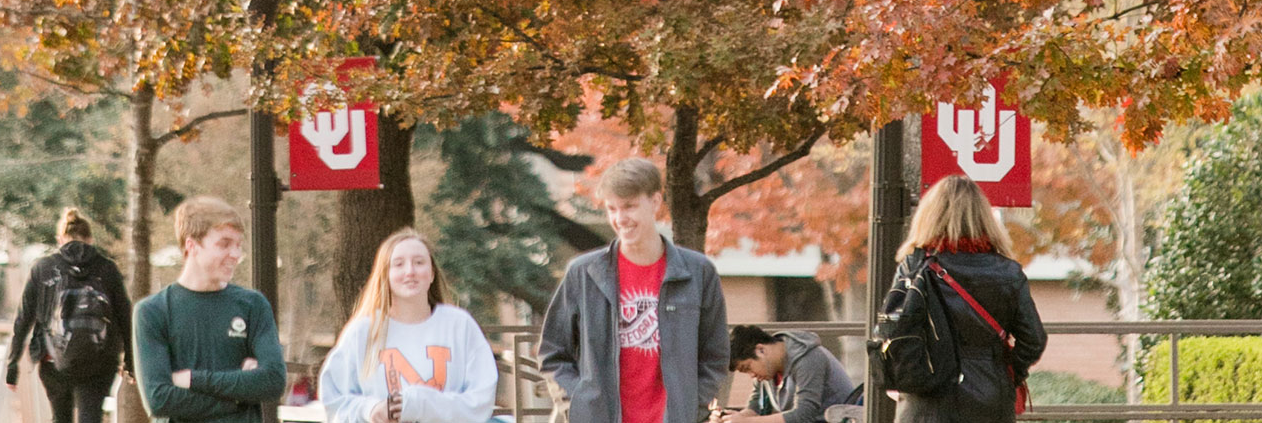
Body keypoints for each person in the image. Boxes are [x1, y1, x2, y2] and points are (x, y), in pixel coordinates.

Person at [538, 158, 730, 423]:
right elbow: (553, 354)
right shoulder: (582, 273)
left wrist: (692, 408)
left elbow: (715, 355)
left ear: (655, 201)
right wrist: (580, 406)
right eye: (612, 209)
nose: (620, 219)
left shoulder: (698, 272)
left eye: (629, 206)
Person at [890, 176, 1047, 423]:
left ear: (929, 215)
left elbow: (895, 330)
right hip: (989, 399)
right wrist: (1005, 373)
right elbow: (1034, 340)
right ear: (984, 217)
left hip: (926, 400)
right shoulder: (1008, 273)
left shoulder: (914, 267)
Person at [318, 228, 498, 423]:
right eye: (398, 264)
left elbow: (480, 401)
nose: (410, 271)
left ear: (431, 274)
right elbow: (334, 402)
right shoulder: (362, 332)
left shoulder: (460, 326)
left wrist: (420, 405)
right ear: (385, 275)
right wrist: (370, 410)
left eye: (419, 262)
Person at [133, 196, 287, 423]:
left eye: (238, 245)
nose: (235, 254)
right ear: (191, 245)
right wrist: (240, 397)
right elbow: (159, 400)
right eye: (224, 244)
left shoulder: (253, 305)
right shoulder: (152, 311)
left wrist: (194, 380)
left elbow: (273, 382)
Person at [6, 207, 133, 423]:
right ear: (90, 239)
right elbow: (124, 315)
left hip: (54, 360)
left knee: (61, 417)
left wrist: (13, 363)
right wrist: (131, 359)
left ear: (60, 239)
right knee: (90, 416)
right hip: (100, 359)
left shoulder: (43, 269)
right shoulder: (107, 268)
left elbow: (24, 318)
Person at [713, 325, 859, 423]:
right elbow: (756, 406)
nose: (752, 375)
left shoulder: (808, 358)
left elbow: (803, 415)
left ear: (760, 350)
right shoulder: (767, 371)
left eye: (748, 368)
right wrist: (731, 418)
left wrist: (746, 422)